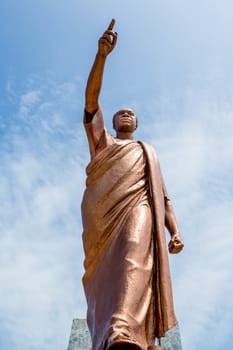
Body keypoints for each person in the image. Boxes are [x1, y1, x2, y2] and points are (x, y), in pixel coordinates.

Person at [81, 19, 184, 350]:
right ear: (112, 123)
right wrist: (102, 57)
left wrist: (175, 231)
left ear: (136, 123)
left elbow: (163, 199)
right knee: (111, 277)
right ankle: (113, 329)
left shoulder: (147, 152)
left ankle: (123, 331)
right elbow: (91, 101)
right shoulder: (104, 146)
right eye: (120, 113)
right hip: (103, 220)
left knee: (134, 259)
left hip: (139, 208)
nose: (125, 115)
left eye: (130, 114)